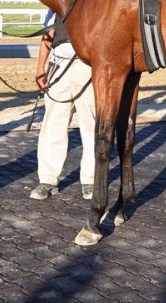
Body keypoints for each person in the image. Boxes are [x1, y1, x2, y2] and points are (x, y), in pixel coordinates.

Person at [30, 13, 96, 201]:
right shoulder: (55, 2)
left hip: (87, 67)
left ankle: (90, 179)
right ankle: (48, 180)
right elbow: (48, 35)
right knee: (52, 124)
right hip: (59, 66)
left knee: (91, 123)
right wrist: (40, 68)